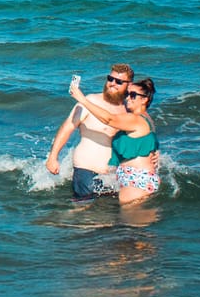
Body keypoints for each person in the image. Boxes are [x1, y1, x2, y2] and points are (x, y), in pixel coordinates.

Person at [67, 74, 160, 203]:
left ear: (145, 100)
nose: (128, 98)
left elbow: (109, 119)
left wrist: (82, 99)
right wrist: (156, 152)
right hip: (137, 177)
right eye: (127, 94)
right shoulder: (146, 118)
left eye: (133, 95)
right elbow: (151, 139)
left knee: (130, 220)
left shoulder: (135, 119)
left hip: (136, 180)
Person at [46, 64, 133, 199]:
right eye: (110, 79)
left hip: (113, 176)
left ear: (129, 85)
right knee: (85, 215)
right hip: (86, 169)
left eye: (119, 81)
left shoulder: (128, 109)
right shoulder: (91, 101)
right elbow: (68, 127)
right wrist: (53, 157)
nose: (112, 84)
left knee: (112, 217)